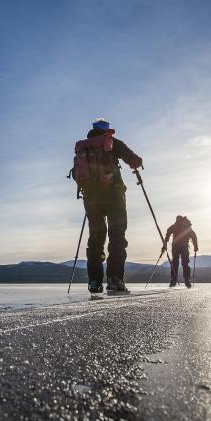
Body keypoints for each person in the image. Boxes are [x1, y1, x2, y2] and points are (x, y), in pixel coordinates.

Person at [73, 118, 143, 294]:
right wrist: (137, 164)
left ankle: (94, 282)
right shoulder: (112, 142)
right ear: (107, 130)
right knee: (117, 236)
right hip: (113, 195)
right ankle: (115, 279)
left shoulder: (83, 147)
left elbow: (76, 173)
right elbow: (134, 159)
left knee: (95, 238)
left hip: (91, 197)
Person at [163, 215, 198, 288]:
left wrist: (165, 243)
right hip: (182, 247)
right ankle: (185, 280)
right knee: (183, 263)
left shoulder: (176, 226)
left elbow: (168, 233)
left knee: (176, 263)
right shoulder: (186, 226)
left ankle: (175, 280)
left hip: (178, 247)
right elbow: (194, 236)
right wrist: (195, 246)